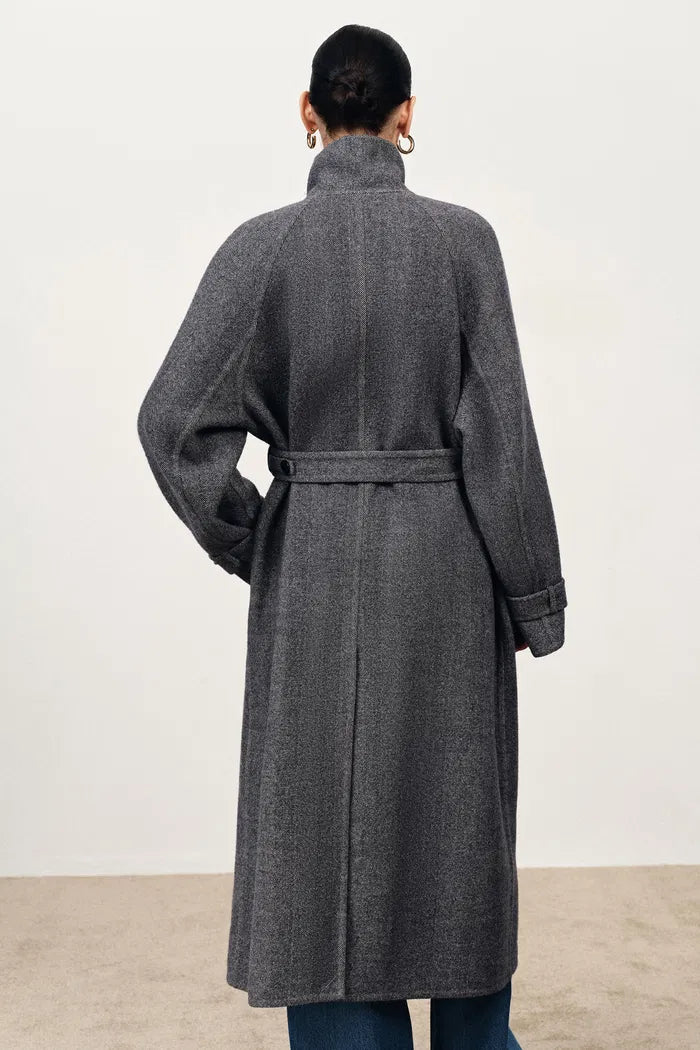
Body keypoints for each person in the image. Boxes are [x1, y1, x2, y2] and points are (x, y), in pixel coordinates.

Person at [137, 23, 567, 1050]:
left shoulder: (260, 248)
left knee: (319, 827)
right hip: (444, 559)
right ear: (406, 116)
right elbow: (500, 438)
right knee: (452, 822)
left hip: (315, 561)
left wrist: (256, 538)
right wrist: (532, 596)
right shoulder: (463, 244)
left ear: (309, 113)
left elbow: (171, 422)